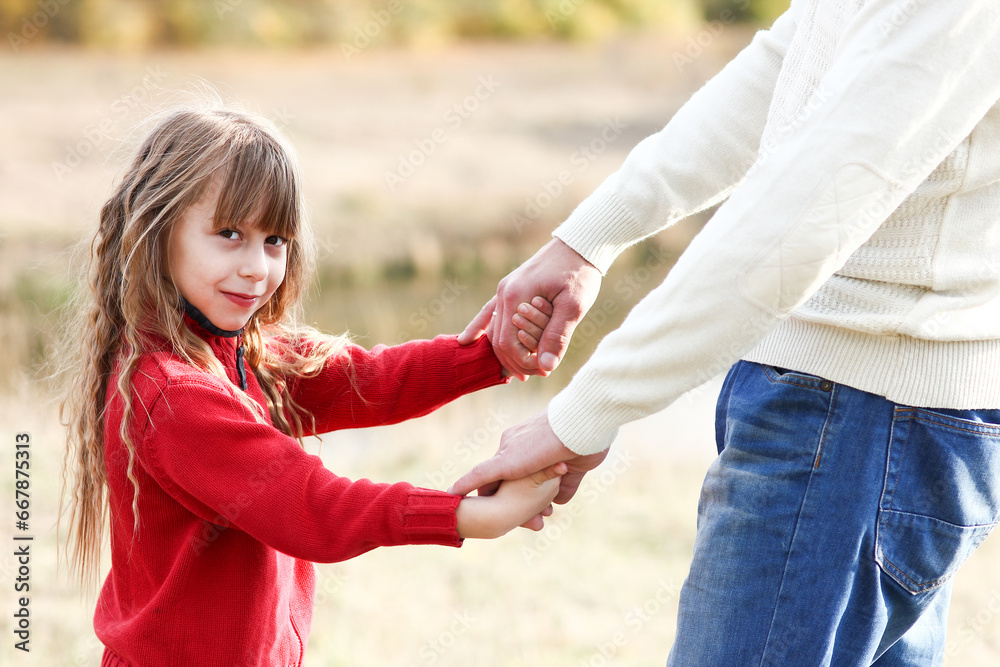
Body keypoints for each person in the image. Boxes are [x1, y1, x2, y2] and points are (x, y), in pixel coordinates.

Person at [452, 1, 1000, 663]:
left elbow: (800, 218)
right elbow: (799, 58)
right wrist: (591, 237)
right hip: (861, 416)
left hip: (858, 416)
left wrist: (582, 413)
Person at [58, 105, 564, 666]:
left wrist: (493, 353)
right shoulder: (171, 396)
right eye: (229, 234)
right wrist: (469, 515)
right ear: (156, 229)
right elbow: (312, 507)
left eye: (274, 240)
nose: (256, 267)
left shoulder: (247, 354)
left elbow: (369, 380)